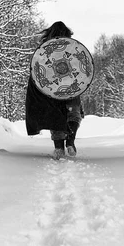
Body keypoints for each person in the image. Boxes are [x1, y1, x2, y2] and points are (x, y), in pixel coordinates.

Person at [25, 21, 85, 159]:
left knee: (56, 116)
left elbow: (38, 70)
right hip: (70, 87)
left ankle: (59, 148)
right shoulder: (71, 47)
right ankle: (70, 141)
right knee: (73, 113)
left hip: (50, 90)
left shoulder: (44, 49)